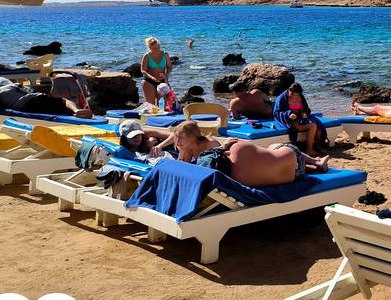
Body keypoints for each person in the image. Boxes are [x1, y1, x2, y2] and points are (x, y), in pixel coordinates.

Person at [172, 121, 328, 187]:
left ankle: (315, 164)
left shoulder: (236, 179)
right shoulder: (234, 150)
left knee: (274, 157)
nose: (178, 143)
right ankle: (316, 163)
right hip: (291, 159)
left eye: (181, 139)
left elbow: (186, 170)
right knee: (274, 149)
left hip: (292, 170)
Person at [0, 77, 92, 118]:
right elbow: (32, 92)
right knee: (63, 101)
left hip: (24, 106)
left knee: (58, 106)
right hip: (32, 100)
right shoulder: (12, 87)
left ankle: (74, 113)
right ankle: (76, 111)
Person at [274, 83, 326, 157]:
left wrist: (304, 113)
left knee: (318, 126)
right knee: (313, 126)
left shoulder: (300, 96)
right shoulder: (281, 98)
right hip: (289, 120)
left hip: (301, 117)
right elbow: (277, 113)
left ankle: (318, 146)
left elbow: (306, 109)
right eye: (293, 94)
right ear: (289, 91)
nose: (295, 97)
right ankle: (309, 149)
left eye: (297, 95)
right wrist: (289, 114)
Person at [140, 36, 172, 106]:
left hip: (162, 81)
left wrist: (166, 76)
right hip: (149, 81)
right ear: (149, 48)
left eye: (157, 47)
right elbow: (143, 70)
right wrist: (152, 78)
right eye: (154, 48)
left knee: (162, 105)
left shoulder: (165, 54)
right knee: (151, 106)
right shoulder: (146, 56)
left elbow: (169, 67)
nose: (156, 49)